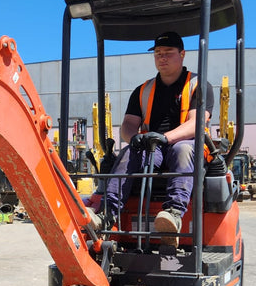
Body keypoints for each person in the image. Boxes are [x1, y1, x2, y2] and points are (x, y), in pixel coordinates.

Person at [90, 31, 214, 245]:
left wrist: (165, 137)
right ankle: (107, 215)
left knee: (181, 149)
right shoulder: (143, 90)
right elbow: (128, 125)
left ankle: (173, 214)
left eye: (168, 52)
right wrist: (134, 137)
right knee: (130, 152)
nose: (162, 57)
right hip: (152, 148)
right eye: (158, 53)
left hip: (188, 146)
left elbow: (197, 123)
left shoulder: (198, 85)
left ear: (182, 54)